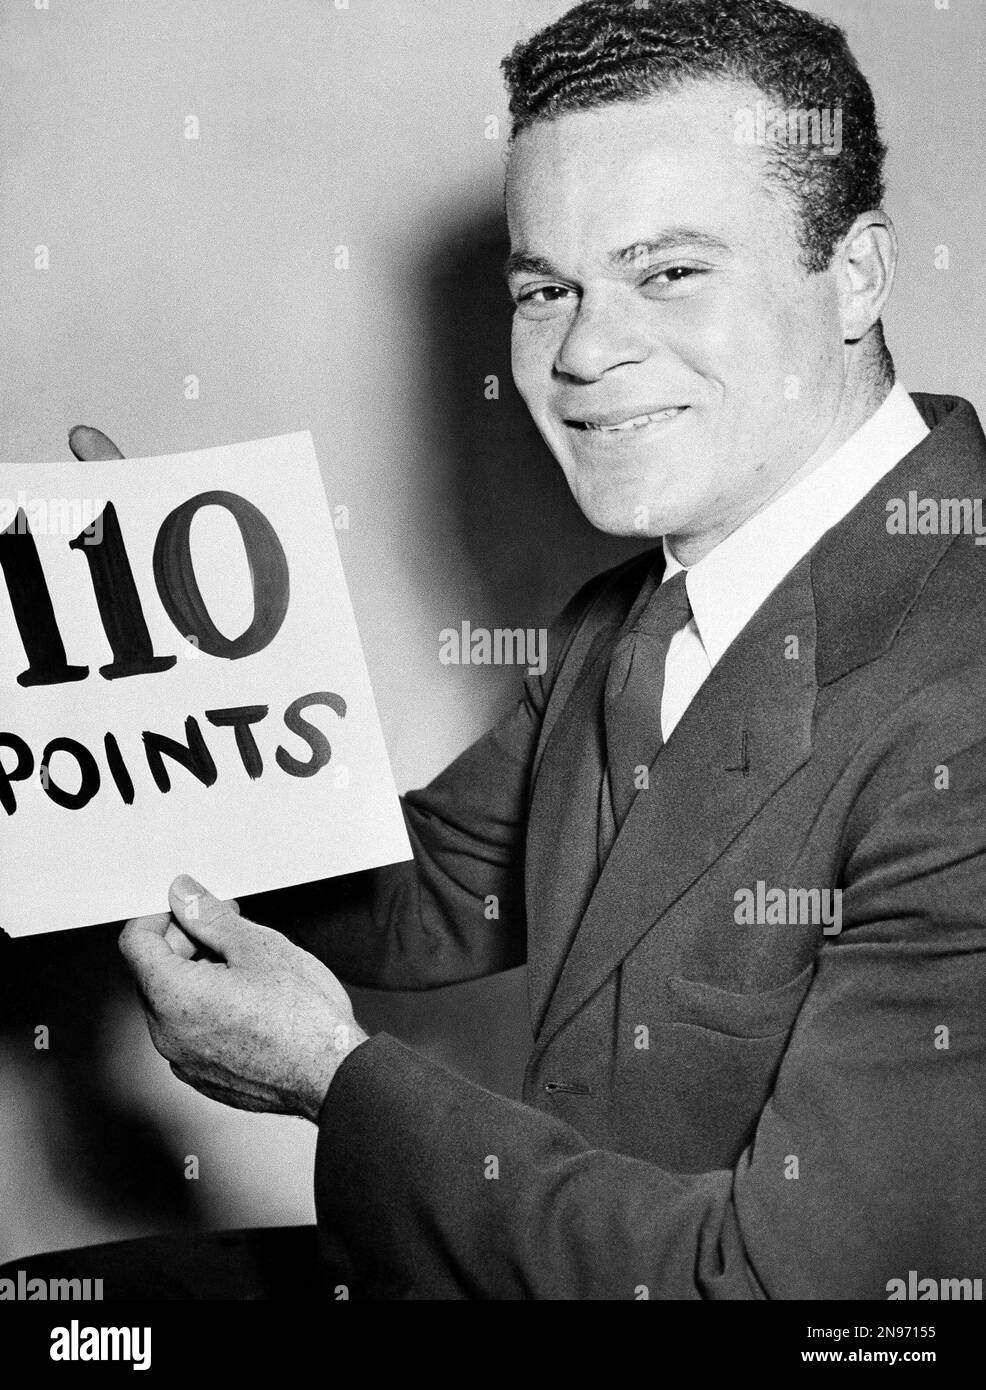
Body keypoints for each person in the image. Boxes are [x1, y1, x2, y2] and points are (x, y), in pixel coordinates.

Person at [47, 0, 986, 1297]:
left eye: (668, 272)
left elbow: (780, 1295)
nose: (583, 353)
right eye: (546, 288)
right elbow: (441, 888)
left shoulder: (961, 708)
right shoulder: (648, 601)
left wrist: (330, 1074)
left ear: (858, 274)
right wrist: (160, 679)